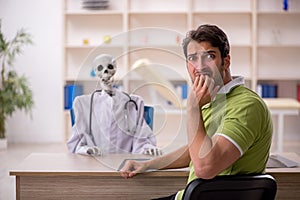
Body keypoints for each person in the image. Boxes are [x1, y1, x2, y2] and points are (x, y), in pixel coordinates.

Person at [120, 24, 273, 200]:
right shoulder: (215, 100)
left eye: (209, 56)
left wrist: (193, 107)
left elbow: (205, 167)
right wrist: (148, 164)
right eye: (193, 58)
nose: (200, 66)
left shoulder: (246, 106)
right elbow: (196, 150)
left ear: (226, 61)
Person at [67, 54, 159, 156]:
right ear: (96, 72)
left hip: (125, 164)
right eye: (100, 68)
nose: (106, 72)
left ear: (115, 69)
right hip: (94, 163)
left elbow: (141, 136)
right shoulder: (83, 104)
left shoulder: (133, 103)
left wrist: (147, 148)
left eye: (109, 67)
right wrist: (86, 149)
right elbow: (76, 142)